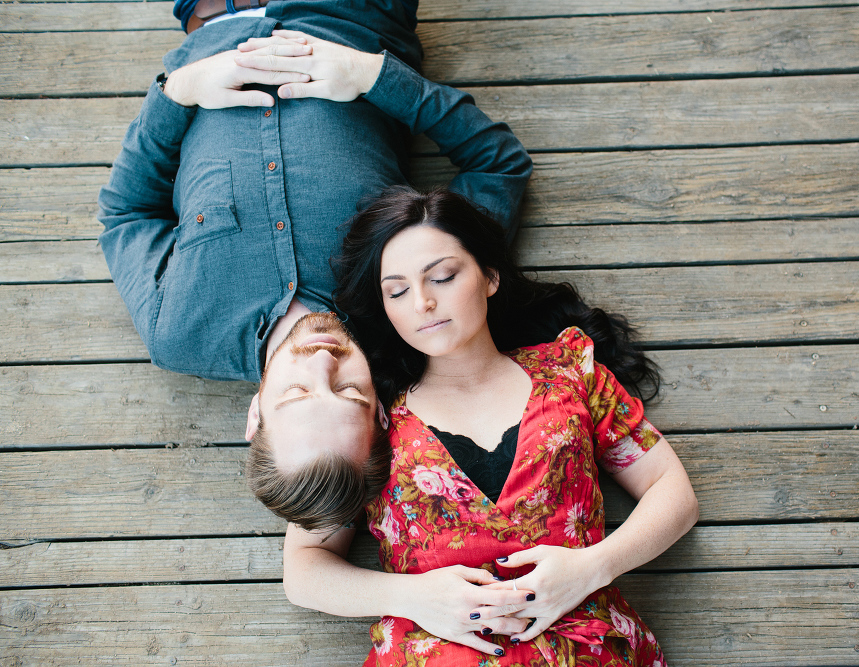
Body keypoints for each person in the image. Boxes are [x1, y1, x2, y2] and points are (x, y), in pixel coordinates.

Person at [96, 0, 532, 526]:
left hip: (210, 24)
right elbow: (497, 165)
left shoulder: (180, 333)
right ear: (379, 410)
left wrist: (178, 93)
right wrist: (373, 75)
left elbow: (126, 213)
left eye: (297, 393)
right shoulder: (415, 298)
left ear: (255, 415)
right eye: (349, 391)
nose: (322, 362)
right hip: (349, 13)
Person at [272, 186, 699, 663]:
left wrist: (591, 568)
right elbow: (304, 570)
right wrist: (412, 597)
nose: (422, 304)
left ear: (489, 275)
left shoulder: (570, 374)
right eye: (397, 291)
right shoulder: (372, 418)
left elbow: (672, 492)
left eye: (443, 277)